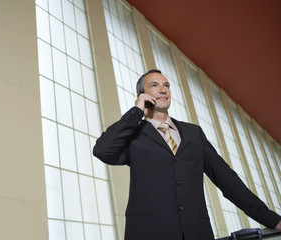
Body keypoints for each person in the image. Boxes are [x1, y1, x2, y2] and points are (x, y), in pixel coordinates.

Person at [93, 69, 281, 240]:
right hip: (149, 231)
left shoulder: (194, 134)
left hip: (196, 232)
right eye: (154, 85)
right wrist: (136, 112)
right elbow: (103, 150)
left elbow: (228, 180)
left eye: (166, 85)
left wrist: (272, 220)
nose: (163, 89)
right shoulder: (134, 134)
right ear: (142, 95)